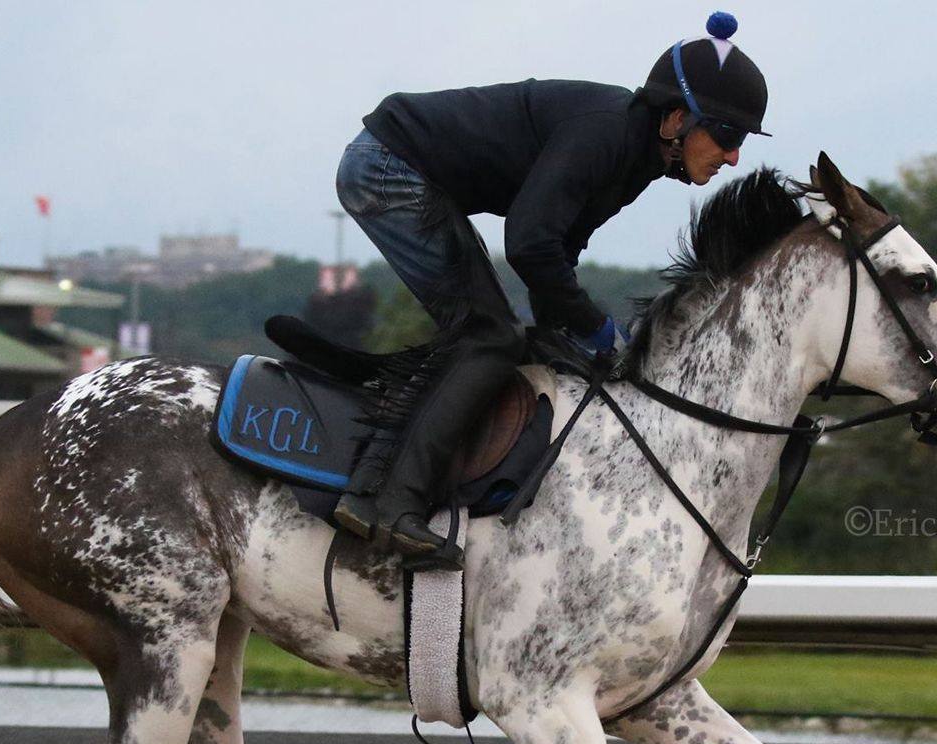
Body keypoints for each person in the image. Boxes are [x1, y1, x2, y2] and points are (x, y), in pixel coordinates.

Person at [330, 11, 771, 569]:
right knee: (490, 337)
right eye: (727, 135)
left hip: (410, 171)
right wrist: (594, 327)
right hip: (387, 166)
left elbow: (557, 253)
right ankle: (391, 503)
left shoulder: (639, 160)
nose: (734, 156)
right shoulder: (605, 134)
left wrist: (563, 334)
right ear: (676, 119)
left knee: (503, 338)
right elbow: (529, 244)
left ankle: (380, 486)